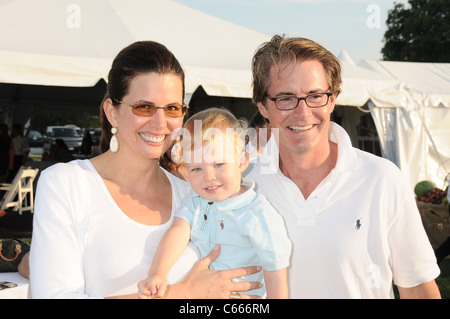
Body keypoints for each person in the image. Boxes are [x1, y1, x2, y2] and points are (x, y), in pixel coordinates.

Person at [30, 41, 261, 299]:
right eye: (144, 107)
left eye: (172, 108)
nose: (160, 122)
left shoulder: (194, 196)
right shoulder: (67, 185)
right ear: (112, 112)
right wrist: (181, 294)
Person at [245, 34, 441, 298]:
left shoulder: (382, 179)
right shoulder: (243, 185)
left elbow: (418, 287)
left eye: (315, 96)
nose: (303, 113)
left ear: (333, 99)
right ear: (263, 106)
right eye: (285, 98)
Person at [139, 108, 291, 299]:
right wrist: (157, 273)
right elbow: (177, 231)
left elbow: (276, 275)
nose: (208, 177)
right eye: (196, 169)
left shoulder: (258, 215)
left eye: (218, 165)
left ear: (242, 161)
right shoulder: (195, 202)